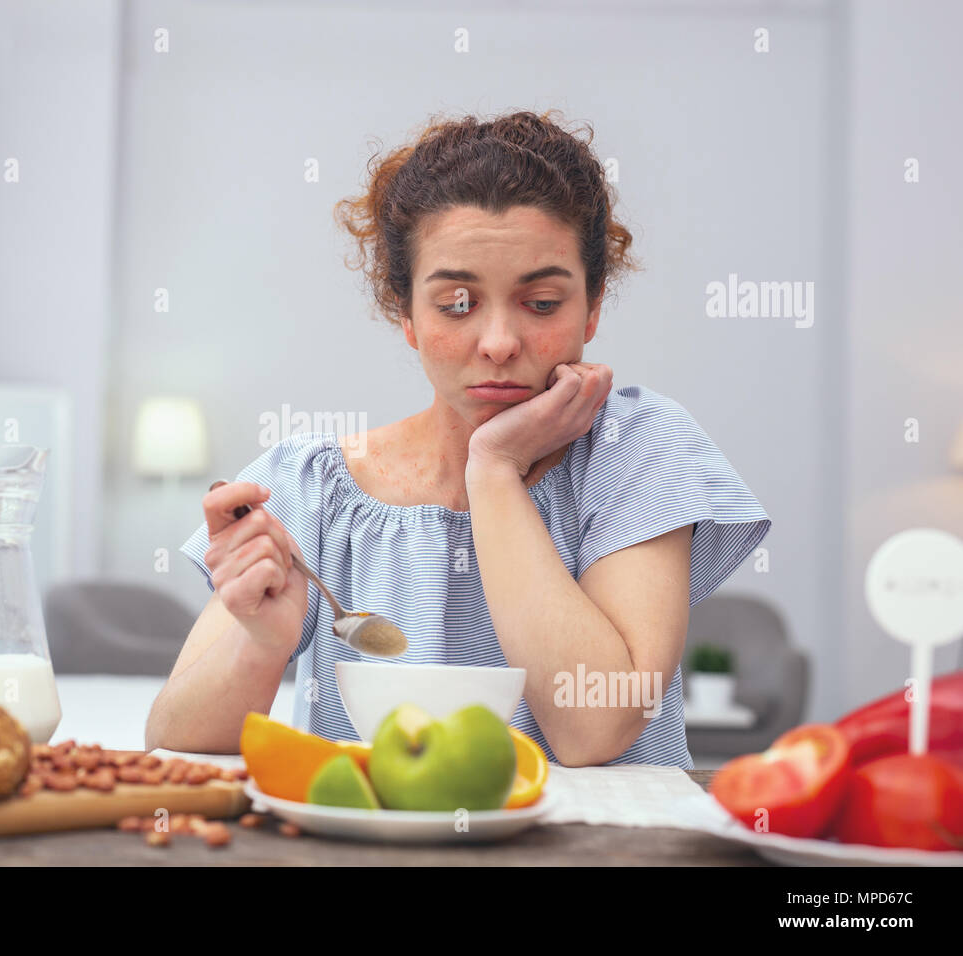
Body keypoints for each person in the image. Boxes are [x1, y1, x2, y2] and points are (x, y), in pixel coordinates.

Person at [147, 110, 771, 767]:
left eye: (541, 304)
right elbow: (171, 742)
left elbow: (595, 729)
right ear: (406, 315)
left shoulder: (637, 449)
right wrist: (261, 644)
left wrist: (494, 470)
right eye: (457, 305)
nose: (499, 344)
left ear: (593, 306)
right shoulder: (309, 486)